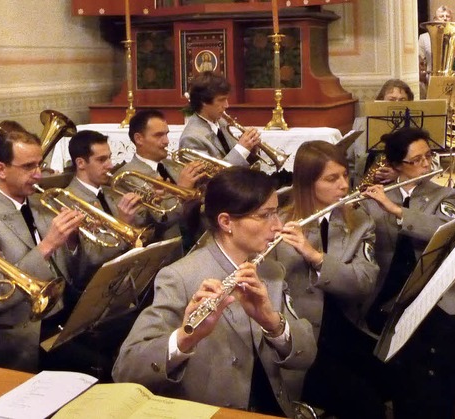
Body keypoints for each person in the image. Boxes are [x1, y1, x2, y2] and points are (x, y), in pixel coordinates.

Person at [113, 167, 316, 417]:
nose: (278, 226)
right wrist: (185, 338)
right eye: (266, 215)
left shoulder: (272, 270)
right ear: (226, 222)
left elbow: (306, 356)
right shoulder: (180, 276)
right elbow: (125, 369)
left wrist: (273, 323)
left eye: (276, 213)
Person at [0, 130, 84, 372]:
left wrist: (73, 242)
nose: (38, 174)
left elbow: (68, 272)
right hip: (21, 331)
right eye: (28, 167)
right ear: (1, 169)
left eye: (39, 164)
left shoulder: (39, 203)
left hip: (61, 314)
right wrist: (48, 245)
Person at [361, 127, 455, 419]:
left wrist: (396, 210)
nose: (426, 165)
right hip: (388, 297)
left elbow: (443, 230)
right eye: (416, 160)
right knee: (406, 375)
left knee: (446, 363)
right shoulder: (376, 198)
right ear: (396, 166)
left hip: (436, 295)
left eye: (428, 156)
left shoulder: (445, 194)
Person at [273, 141, 382, 418]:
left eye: (345, 175)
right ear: (308, 183)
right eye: (332, 179)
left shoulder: (359, 222)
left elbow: (364, 283)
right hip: (302, 339)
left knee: (399, 377)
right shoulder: (276, 224)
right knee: (364, 402)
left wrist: (316, 257)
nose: (344, 185)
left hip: (344, 326)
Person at [64, 129, 142, 299]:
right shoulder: (69, 202)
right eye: (101, 160)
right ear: (81, 163)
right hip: (94, 291)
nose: (110, 165)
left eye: (109, 157)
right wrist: (123, 224)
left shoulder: (110, 193)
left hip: (125, 283)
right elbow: (91, 257)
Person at [115, 109, 206, 248]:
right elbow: (160, 220)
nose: (166, 141)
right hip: (170, 248)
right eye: (159, 136)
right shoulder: (127, 177)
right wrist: (182, 191)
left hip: (198, 237)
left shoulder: (173, 165)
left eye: (166, 134)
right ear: (139, 139)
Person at [180, 71, 261, 166]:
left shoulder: (222, 123)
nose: (227, 105)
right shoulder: (191, 138)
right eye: (221, 100)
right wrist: (241, 148)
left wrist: (250, 149)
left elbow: (236, 160)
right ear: (203, 101)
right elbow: (210, 177)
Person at [347, 79, 415, 187]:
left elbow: (431, 166)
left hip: (400, 189)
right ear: (380, 100)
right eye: (391, 100)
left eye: (402, 100)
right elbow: (349, 162)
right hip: (363, 190)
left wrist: (400, 175)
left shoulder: (414, 128)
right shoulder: (360, 124)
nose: (397, 104)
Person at [418, 6, 453, 98]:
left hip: (452, 80)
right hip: (430, 80)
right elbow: (420, 59)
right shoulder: (423, 38)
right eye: (441, 16)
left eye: (448, 16)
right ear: (435, 19)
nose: (445, 18)